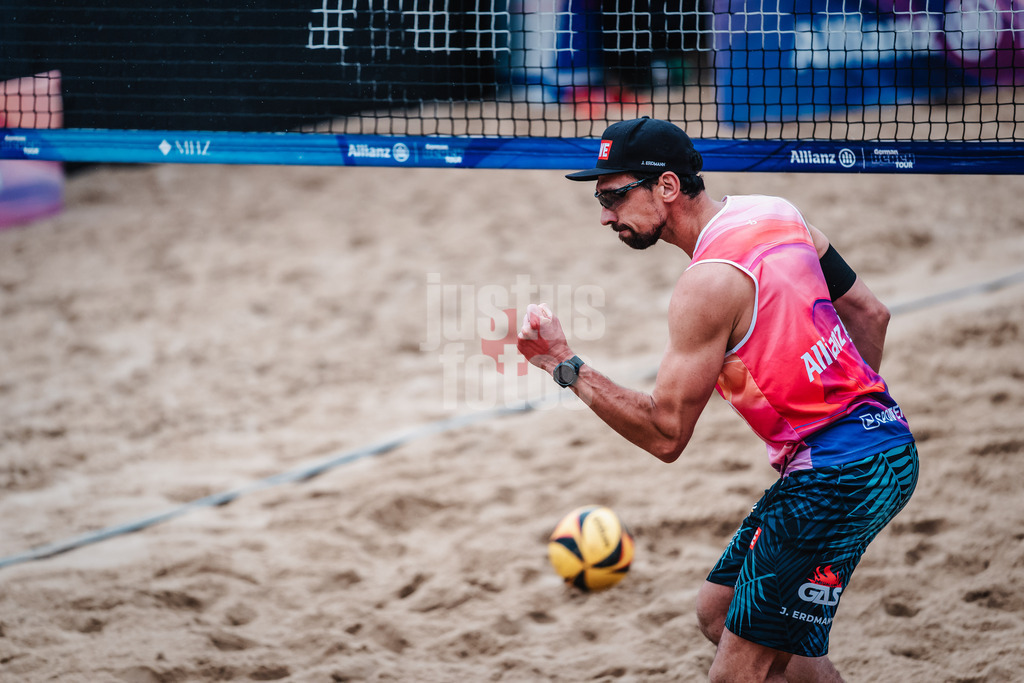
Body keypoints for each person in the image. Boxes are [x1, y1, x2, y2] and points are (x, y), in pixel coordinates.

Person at [516, 117, 918, 682]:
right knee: (721, 610)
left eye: (613, 196)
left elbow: (666, 435)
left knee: (736, 671)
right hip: (883, 444)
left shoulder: (707, 283)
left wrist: (563, 364)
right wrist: (848, 414)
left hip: (838, 475)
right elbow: (871, 314)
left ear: (667, 186)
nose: (605, 215)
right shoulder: (777, 212)